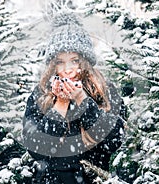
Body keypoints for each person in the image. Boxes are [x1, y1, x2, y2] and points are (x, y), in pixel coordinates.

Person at [22, 12, 126, 184]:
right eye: (60, 62)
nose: (68, 69)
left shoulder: (106, 90)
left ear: (84, 61)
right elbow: (37, 148)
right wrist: (60, 106)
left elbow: (115, 141)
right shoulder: (41, 94)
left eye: (74, 61)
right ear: (52, 65)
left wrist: (83, 101)